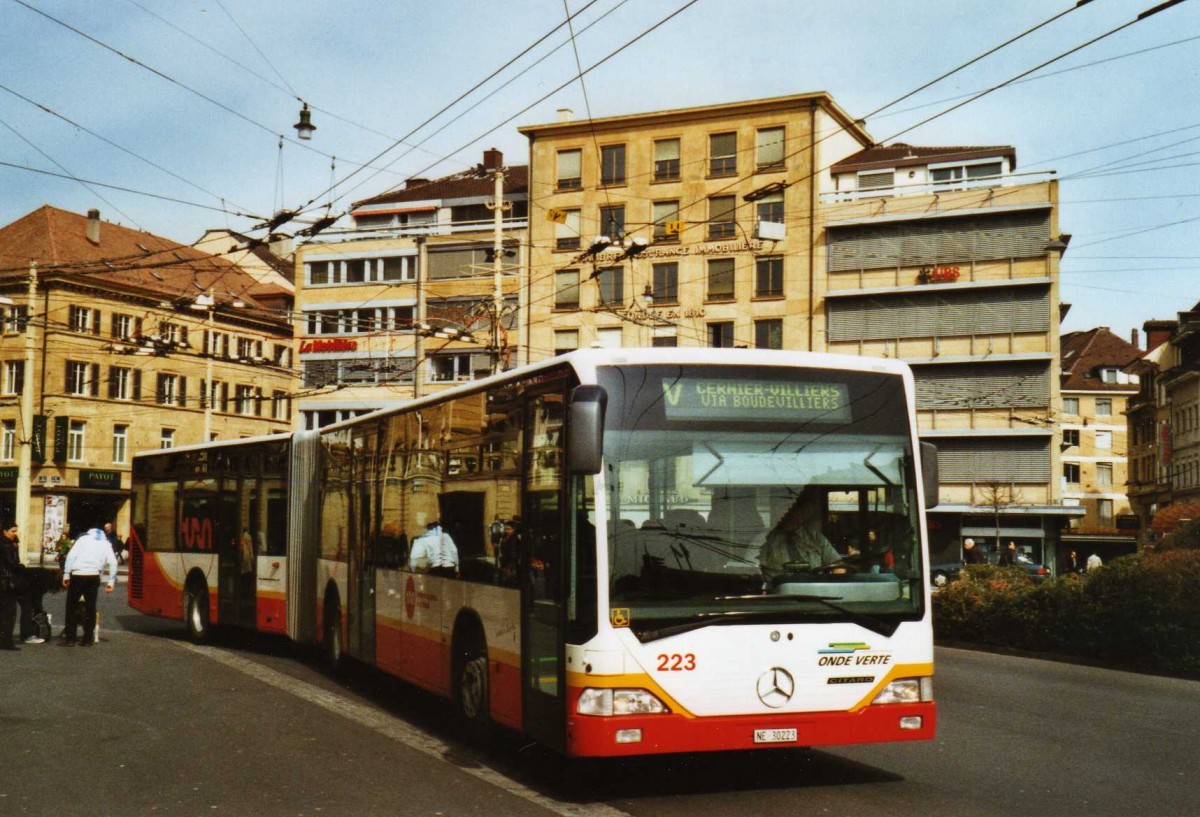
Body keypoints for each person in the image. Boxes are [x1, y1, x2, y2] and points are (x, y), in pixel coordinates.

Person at [758, 488, 845, 581]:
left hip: (814, 590)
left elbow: (838, 565)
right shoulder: (764, 539)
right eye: (784, 510)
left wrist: (836, 579)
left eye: (793, 510)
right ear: (777, 513)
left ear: (802, 513)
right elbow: (752, 568)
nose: (789, 514)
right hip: (777, 591)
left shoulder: (816, 537)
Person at [60, 524, 119, 647]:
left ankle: (70, 638)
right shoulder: (105, 543)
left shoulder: (82, 540)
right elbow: (113, 562)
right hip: (93, 576)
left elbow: (71, 556)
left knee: (72, 607)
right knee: (90, 607)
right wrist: (111, 582)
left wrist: (66, 574)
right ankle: (87, 639)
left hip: (77, 575)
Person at [0, 521, 25, 651]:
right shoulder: (8, 545)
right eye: (13, 531)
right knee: (8, 613)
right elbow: (14, 562)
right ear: (4, 531)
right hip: (6, 583)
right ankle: (6, 642)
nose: (15, 533)